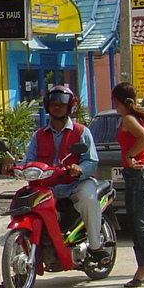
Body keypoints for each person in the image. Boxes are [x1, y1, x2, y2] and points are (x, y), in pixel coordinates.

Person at [14, 84, 106, 263]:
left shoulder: (81, 132)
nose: (57, 107)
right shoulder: (39, 135)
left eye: (61, 105)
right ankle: (20, 256)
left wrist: (80, 169)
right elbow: (28, 160)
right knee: (25, 206)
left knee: (88, 199)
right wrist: (15, 167)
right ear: (48, 106)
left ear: (69, 107)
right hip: (47, 186)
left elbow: (92, 161)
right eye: (53, 104)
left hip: (76, 184)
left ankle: (95, 246)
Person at [111, 82, 144, 288]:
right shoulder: (140, 118)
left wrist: (132, 155)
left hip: (137, 174)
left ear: (117, 100)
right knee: (141, 220)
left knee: (137, 222)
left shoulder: (129, 119)